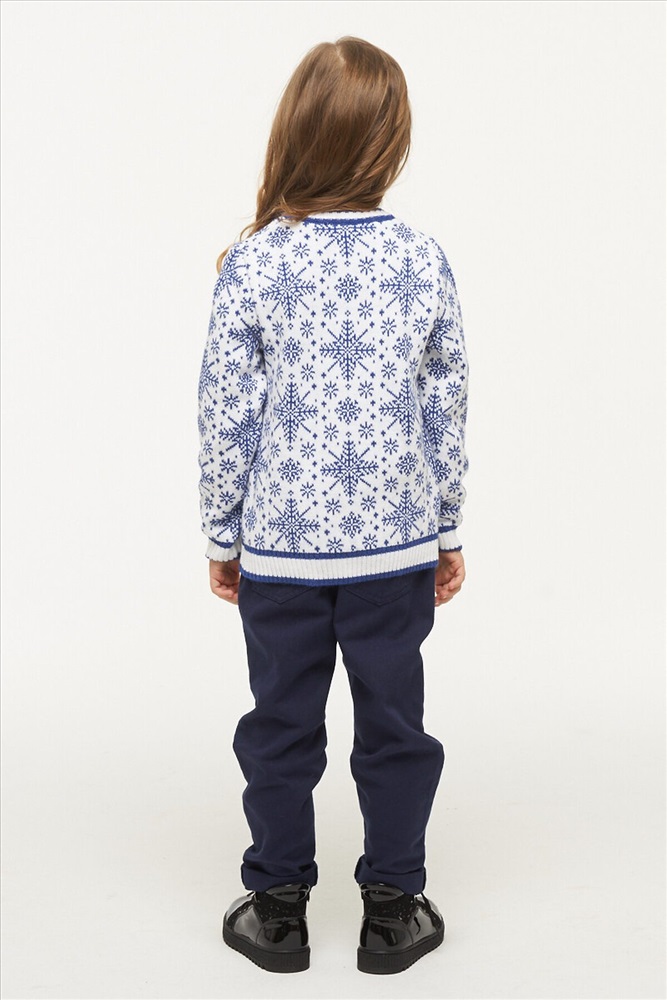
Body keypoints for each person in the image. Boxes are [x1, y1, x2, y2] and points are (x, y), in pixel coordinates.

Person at [197, 35, 470, 975]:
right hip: (394, 550)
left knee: (280, 723)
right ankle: (393, 909)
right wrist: (446, 527)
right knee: (394, 725)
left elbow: (224, 411)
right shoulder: (422, 259)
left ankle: (277, 908)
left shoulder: (255, 263)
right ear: (390, 142)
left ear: (297, 132)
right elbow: (445, 401)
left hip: (281, 553)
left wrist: (222, 534)